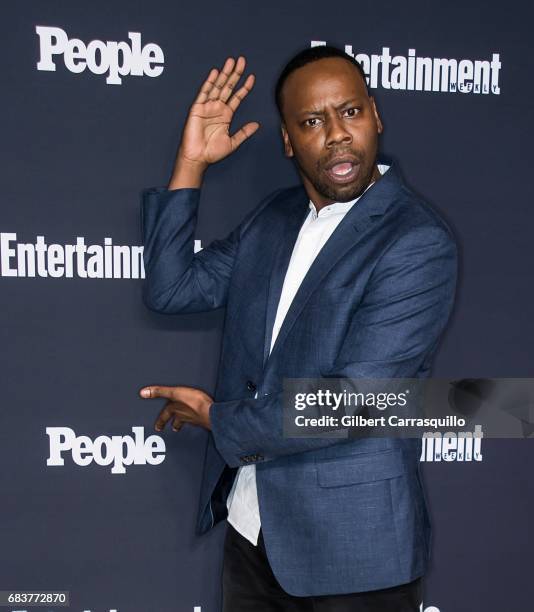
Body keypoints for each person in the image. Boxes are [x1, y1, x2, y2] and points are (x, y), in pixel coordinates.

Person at [138, 45, 458, 611]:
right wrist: (191, 165)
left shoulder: (415, 241)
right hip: (252, 531)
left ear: (376, 115)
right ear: (288, 139)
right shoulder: (273, 217)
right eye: (312, 121)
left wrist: (218, 418)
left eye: (351, 112)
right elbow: (173, 289)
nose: (337, 134)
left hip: (355, 553)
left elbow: (355, 402)